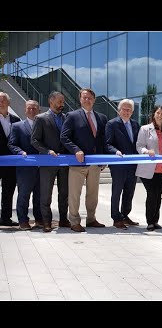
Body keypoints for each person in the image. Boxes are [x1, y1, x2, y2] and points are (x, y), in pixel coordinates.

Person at [60, 88, 107, 232]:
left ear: (94, 100)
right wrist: (76, 150)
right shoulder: (72, 116)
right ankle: (74, 221)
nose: (87, 100)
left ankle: (91, 219)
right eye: (84, 97)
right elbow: (64, 137)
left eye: (90, 98)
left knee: (93, 193)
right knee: (74, 194)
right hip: (77, 162)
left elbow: (103, 140)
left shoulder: (102, 118)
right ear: (80, 99)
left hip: (95, 163)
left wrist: (103, 158)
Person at [31, 91, 71, 232]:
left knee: (64, 193)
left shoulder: (67, 118)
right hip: (48, 162)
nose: (62, 104)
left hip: (65, 162)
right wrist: (47, 151)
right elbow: (34, 140)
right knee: (46, 193)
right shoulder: (41, 118)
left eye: (63, 102)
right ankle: (47, 221)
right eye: (60, 102)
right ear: (51, 101)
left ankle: (64, 219)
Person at [7, 100, 42, 231]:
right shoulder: (17, 126)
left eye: (34, 108)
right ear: (25, 110)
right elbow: (11, 144)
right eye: (29, 108)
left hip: (42, 168)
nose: (32, 110)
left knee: (40, 195)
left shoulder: (43, 125)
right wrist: (20, 152)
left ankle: (39, 219)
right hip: (25, 168)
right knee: (24, 195)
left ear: (39, 110)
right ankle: (23, 220)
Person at [105, 99, 140, 230]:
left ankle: (125, 215)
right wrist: (116, 151)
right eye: (124, 109)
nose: (126, 112)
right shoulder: (112, 124)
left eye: (129, 110)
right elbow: (107, 144)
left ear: (132, 111)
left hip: (132, 165)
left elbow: (138, 144)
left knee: (129, 192)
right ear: (119, 110)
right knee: (117, 191)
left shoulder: (136, 125)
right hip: (118, 165)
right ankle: (116, 218)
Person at [136, 105, 162, 231]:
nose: (160, 115)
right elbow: (139, 146)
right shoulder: (145, 129)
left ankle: (156, 220)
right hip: (148, 169)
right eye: (158, 113)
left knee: (158, 195)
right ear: (153, 114)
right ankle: (150, 221)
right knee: (151, 194)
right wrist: (146, 151)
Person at [0, 92, 21, 226]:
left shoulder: (16, 120)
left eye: (3, 100)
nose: (0, 103)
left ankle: (5, 218)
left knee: (8, 191)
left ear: (8, 103)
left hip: (11, 163)